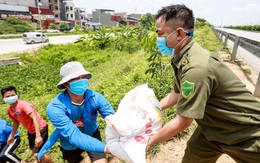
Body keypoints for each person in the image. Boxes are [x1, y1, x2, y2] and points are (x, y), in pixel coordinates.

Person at [146, 4, 260, 163]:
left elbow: (182, 122)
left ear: (179, 33)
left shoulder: (196, 68)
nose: (158, 39)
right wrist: (150, 109)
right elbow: (177, 95)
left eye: (160, 34)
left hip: (245, 132)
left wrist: (148, 141)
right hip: (212, 129)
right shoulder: (184, 58)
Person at [38, 61, 115, 163]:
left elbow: (114, 120)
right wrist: (108, 148)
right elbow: (75, 136)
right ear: (66, 83)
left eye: (83, 77)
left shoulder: (96, 98)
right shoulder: (55, 107)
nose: (81, 80)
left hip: (91, 133)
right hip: (69, 141)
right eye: (75, 79)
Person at [1, 86, 53, 163]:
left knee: (37, 154)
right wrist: (11, 136)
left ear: (16, 94)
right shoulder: (10, 110)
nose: (10, 97)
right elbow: (15, 122)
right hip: (31, 131)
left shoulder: (24, 105)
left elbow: (34, 118)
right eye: (7, 96)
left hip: (40, 128)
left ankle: (51, 162)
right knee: (32, 148)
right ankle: (40, 161)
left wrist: (38, 136)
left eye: (12, 95)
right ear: (3, 98)